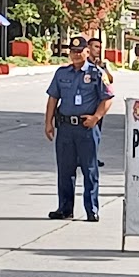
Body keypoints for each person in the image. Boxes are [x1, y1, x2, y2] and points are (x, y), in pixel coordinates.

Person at [44, 34, 113, 221]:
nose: (75, 55)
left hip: (86, 128)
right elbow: (53, 98)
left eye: (79, 51)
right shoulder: (61, 73)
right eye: (72, 52)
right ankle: (65, 208)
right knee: (65, 170)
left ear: (87, 52)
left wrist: (96, 118)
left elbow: (107, 99)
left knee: (89, 169)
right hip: (65, 127)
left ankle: (92, 209)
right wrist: (48, 123)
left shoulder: (97, 73)